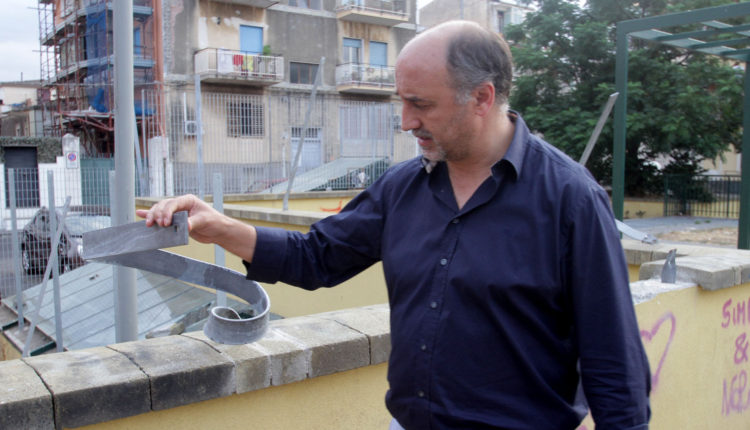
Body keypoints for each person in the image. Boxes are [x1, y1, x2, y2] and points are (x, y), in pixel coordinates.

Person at [138, 20, 651, 430]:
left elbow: (614, 359)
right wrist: (219, 227)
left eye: (420, 104)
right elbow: (317, 257)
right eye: (401, 102)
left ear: (482, 97)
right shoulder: (402, 188)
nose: (405, 121)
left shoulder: (570, 198)